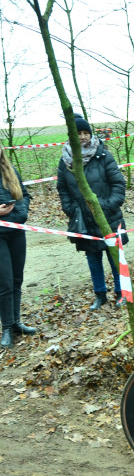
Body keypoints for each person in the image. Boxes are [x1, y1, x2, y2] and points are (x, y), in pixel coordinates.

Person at [57, 115, 128, 310]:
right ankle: (100, 295)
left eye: (85, 133)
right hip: (83, 219)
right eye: (78, 133)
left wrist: (106, 205)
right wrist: (71, 209)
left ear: (90, 134)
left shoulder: (103, 155)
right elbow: (62, 189)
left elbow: (118, 184)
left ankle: (121, 293)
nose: (82, 136)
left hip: (108, 216)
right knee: (93, 259)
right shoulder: (65, 161)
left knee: (114, 257)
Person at [0, 147, 37, 348]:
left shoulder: (11, 171)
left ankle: (16, 323)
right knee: (4, 282)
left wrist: (21, 214)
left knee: (17, 279)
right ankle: (6, 327)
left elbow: (25, 196)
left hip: (16, 231)